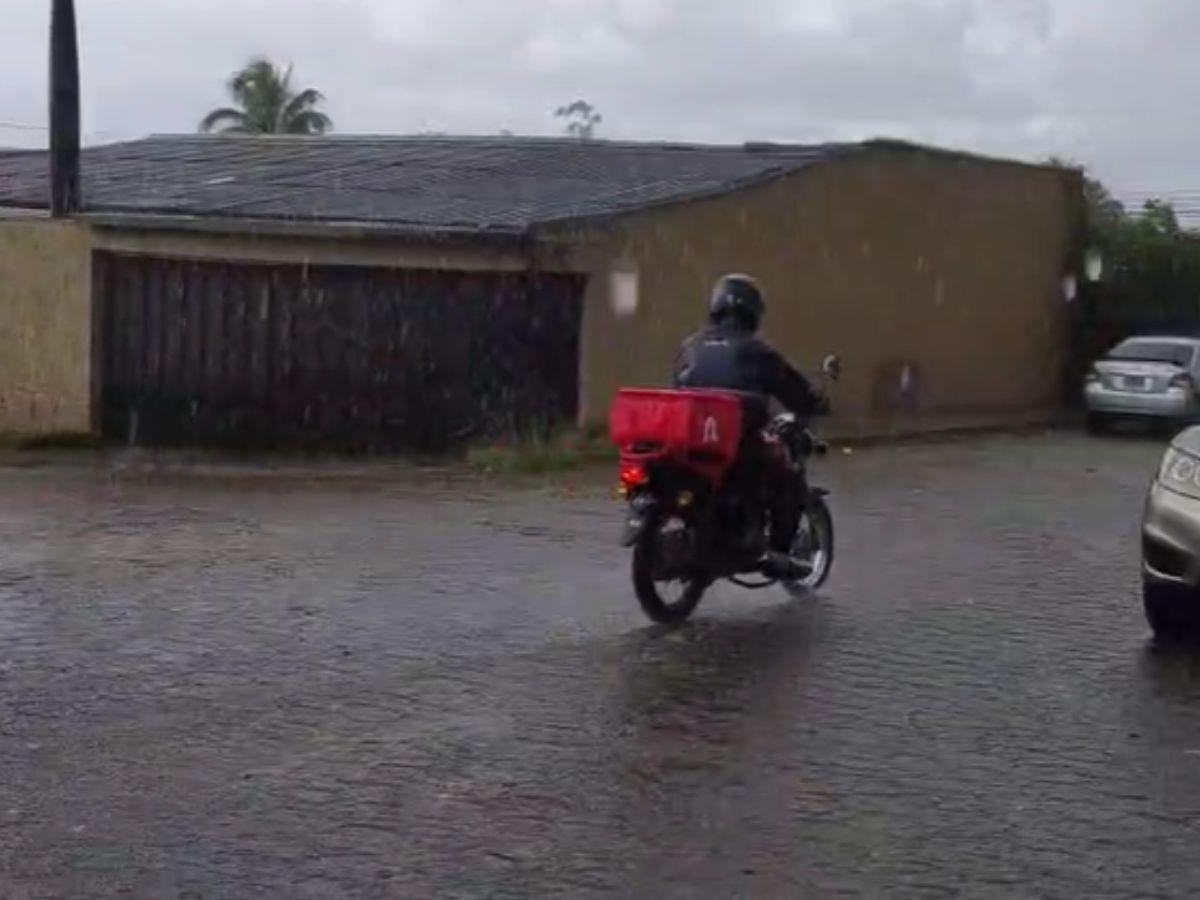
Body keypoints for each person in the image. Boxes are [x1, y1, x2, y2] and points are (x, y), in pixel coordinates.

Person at [672, 273, 830, 556]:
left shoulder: (690, 346)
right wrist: (814, 403)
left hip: (691, 443)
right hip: (737, 443)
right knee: (787, 475)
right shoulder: (756, 351)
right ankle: (777, 549)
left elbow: (678, 383)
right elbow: (792, 388)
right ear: (753, 311)